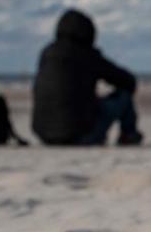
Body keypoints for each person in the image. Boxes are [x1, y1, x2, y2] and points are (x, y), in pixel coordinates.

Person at [32, 9, 143, 146]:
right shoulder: (87, 55)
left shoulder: (47, 53)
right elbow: (128, 81)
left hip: (44, 135)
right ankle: (128, 135)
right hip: (81, 134)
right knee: (124, 97)